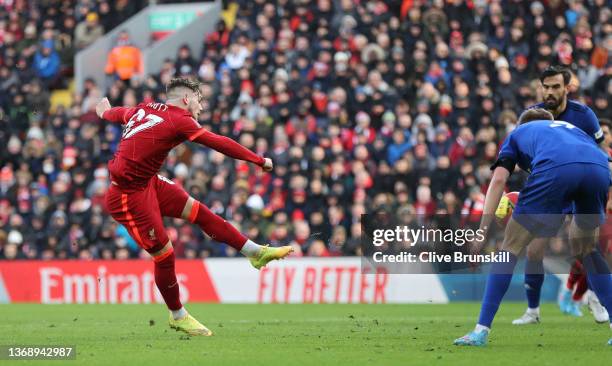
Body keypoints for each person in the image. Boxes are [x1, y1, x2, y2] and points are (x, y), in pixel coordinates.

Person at [95, 78, 293, 336]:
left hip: (148, 182)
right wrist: (258, 160)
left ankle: (255, 253)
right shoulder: (180, 119)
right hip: (127, 195)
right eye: (199, 99)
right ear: (187, 99)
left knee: (198, 211)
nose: (201, 106)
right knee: (164, 254)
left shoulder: (144, 108)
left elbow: (119, 113)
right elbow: (218, 141)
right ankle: (177, 315)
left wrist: (105, 111)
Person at [454, 108, 612, 347]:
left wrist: (482, 230)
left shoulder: (518, 134)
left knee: (510, 246)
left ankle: (480, 330)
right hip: (598, 167)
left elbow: (498, 180)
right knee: (587, 250)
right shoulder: (573, 131)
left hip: (556, 170)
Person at [512, 65, 608, 325]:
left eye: (555, 86)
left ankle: (596, 297)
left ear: (567, 88)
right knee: (534, 251)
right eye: (546, 86)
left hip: (582, 185)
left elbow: (601, 151)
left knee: (586, 247)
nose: (550, 91)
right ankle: (533, 311)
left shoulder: (583, 115)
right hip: (550, 186)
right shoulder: (532, 116)